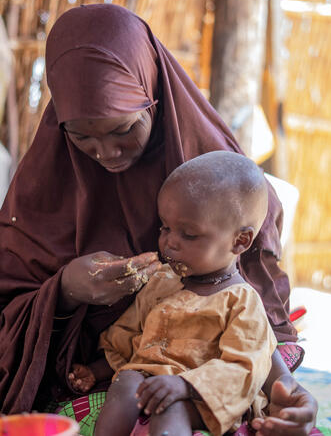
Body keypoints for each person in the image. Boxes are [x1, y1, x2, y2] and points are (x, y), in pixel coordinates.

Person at [0, 3, 317, 436]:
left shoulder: (217, 176)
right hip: (106, 370)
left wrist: (284, 385)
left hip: (212, 377)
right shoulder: (44, 186)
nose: (105, 152)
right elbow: (4, 318)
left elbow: (254, 309)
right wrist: (65, 291)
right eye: (81, 136)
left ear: (153, 94)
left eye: (123, 129)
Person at [68, 151, 277, 436]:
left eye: (188, 235)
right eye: (165, 228)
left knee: (171, 406)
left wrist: (184, 385)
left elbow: (244, 367)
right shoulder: (163, 282)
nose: (170, 243)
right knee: (127, 379)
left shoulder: (242, 302)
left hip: (202, 398)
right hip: (148, 382)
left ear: (239, 241)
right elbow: (128, 337)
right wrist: (96, 370)